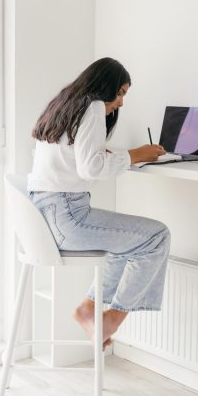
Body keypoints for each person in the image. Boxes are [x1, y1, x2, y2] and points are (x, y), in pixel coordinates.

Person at [27, 57, 171, 349]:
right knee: (157, 237)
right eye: (120, 93)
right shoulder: (92, 106)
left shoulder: (66, 104)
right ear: (105, 86)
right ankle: (112, 319)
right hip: (68, 216)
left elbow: (79, 158)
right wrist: (136, 154)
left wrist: (119, 154)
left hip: (45, 217)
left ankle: (90, 309)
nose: (120, 103)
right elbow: (90, 169)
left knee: (127, 240)